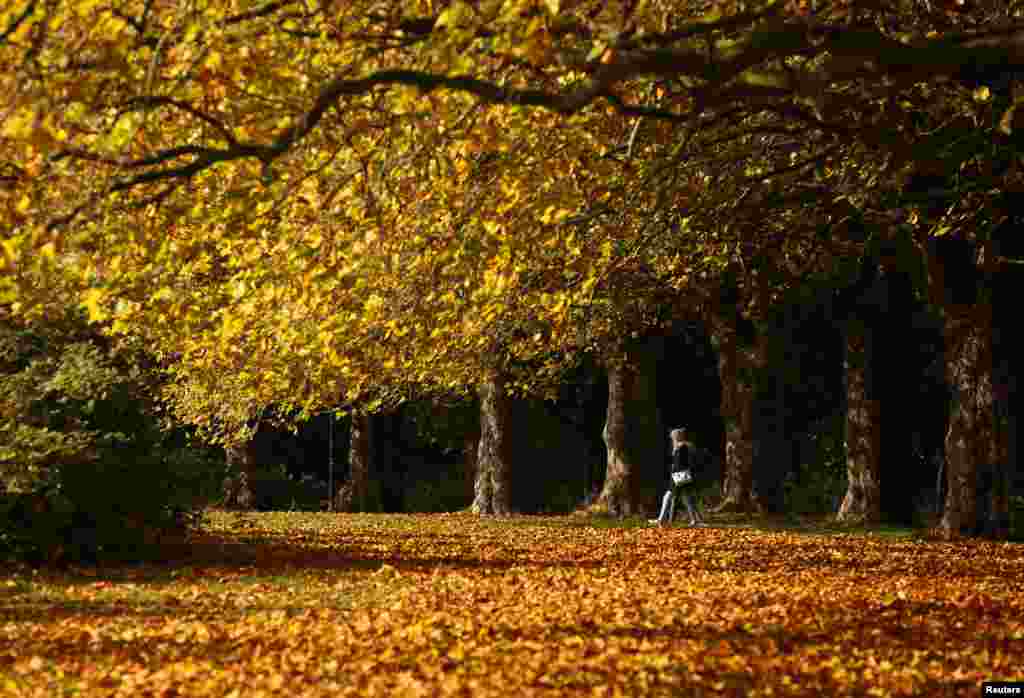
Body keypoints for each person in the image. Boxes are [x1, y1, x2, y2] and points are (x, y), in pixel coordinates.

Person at [651, 427, 705, 527]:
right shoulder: (681, 446)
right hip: (681, 475)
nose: (671, 438)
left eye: (673, 436)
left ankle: (661, 519)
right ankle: (695, 520)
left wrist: (675, 472)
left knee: (668, 496)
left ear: (676, 436)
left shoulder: (682, 447)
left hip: (679, 475)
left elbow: (680, 463)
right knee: (686, 497)